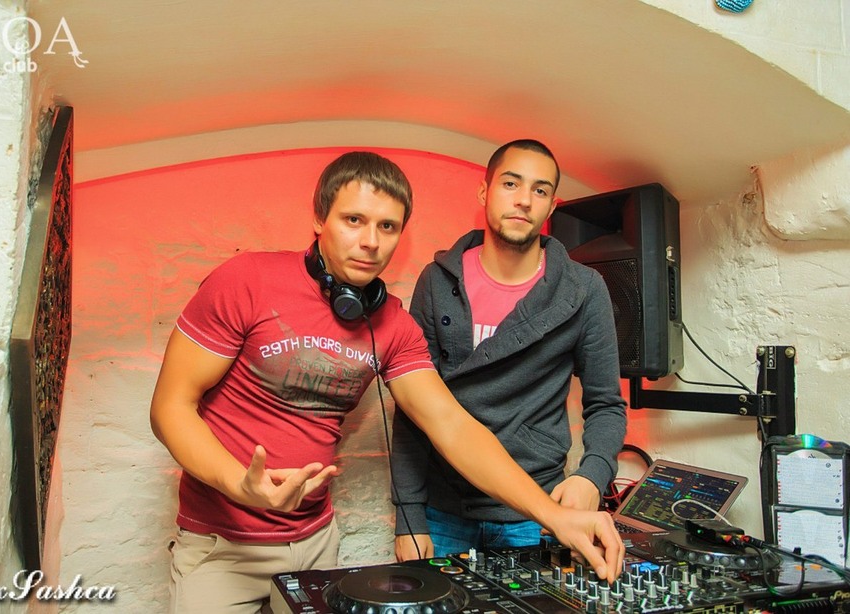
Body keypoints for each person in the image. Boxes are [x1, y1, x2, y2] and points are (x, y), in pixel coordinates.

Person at [150, 150, 624, 614]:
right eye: (354, 220)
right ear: (319, 218)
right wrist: (238, 484)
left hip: (315, 542)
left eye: (387, 226)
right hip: (222, 543)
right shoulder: (246, 280)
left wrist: (554, 515)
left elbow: (451, 426)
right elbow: (170, 407)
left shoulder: (392, 325)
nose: (370, 241)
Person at [391, 140, 628, 562]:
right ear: (485, 192)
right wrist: (410, 515)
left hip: (537, 509)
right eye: (511, 184)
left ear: (551, 205)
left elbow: (606, 403)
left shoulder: (583, 289)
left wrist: (592, 476)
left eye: (539, 190)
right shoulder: (437, 281)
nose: (524, 200)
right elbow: (414, 405)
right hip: (446, 509)